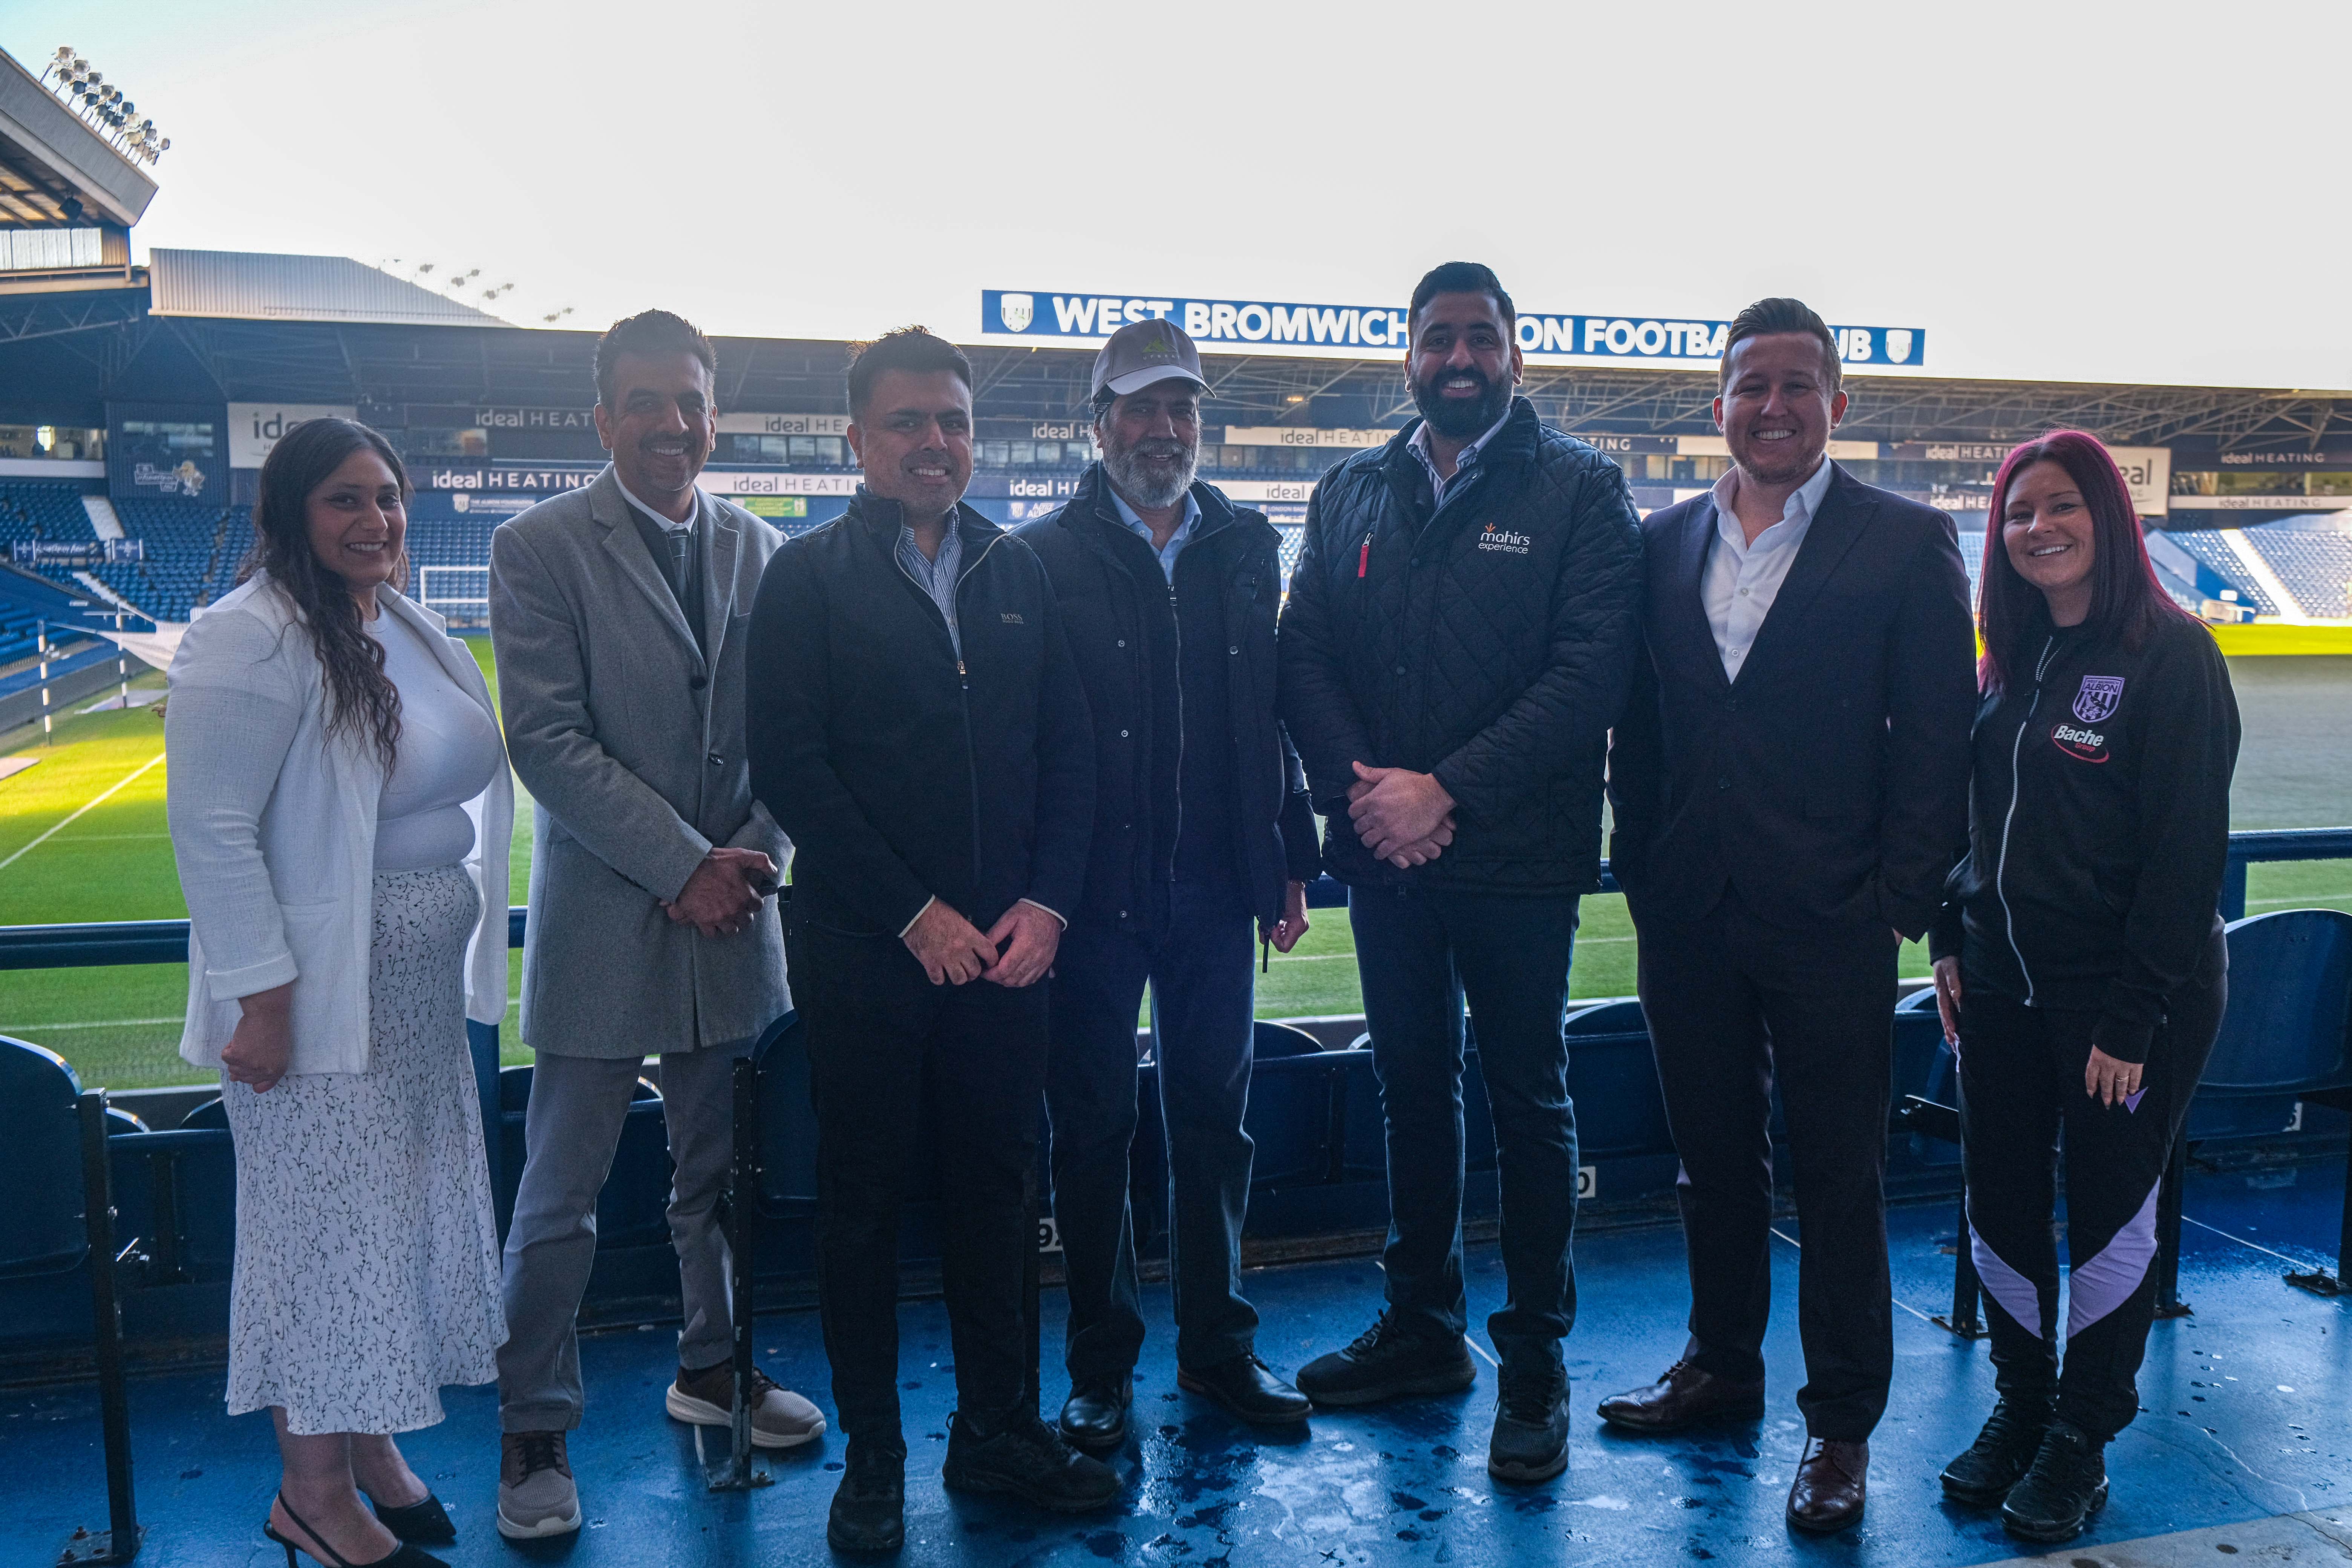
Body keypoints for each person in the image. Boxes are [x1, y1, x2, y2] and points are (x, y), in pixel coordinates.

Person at [1602, 297, 1977, 1532]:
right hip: (1690, 912)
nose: (1773, 405)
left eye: (1797, 384)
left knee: (1838, 1178)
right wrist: (1647, 867)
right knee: (1713, 1165)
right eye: (1750, 384)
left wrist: (1893, 906)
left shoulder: (1907, 541)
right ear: (1717, 406)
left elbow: (1936, 746)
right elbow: (1644, 728)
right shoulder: (1658, 545)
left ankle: (1841, 1429)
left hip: (1833, 920)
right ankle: (1722, 1368)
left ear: (1837, 405)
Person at [1276, 262, 1645, 1484]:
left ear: (1515, 358)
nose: (1461, 358)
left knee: (1529, 1100)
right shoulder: (1350, 490)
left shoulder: (1582, 490)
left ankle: (1534, 1358)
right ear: (1410, 361)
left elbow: (1590, 671)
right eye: (1439, 340)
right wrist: (1370, 797)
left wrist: (1447, 791)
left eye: (1482, 338)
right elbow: (1304, 653)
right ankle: (1424, 1328)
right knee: (1411, 1086)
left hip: (1521, 861)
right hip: (1388, 859)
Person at [746, 327, 1110, 1553]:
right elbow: (794, 769)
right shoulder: (804, 579)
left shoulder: (1019, 572)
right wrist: (915, 913)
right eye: (906, 422)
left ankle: (998, 1431)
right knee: (862, 1206)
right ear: (857, 440)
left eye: (951, 420)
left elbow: (1071, 758)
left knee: (1002, 1195)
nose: (933, 442)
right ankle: (876, 1460)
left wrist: (1048, 906)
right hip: (867, 949)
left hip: (1007, 955)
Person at [487, 310, 817, 1541]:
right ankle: (534, 1427)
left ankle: (713, 1365)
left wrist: (751, 863)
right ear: (603, 416)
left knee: (719, 1182)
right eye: (646, 403)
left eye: (691, 401)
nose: (673, 425)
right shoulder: (536, 548)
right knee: (559, 1193)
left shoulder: (764, 551)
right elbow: (549, 743)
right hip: (607, 921)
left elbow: (795, 735)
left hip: (735, 916)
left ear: (712, 409)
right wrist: (683, 865)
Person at [166, 417, 513, 1568]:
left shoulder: (392, 619)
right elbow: (211, 831)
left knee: (386, 1225)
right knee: (323, 1240)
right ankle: (311, 1497)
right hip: (315, 1001)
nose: (376, 521)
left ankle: (366, 1452)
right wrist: (261, 1000)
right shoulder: (248, 637)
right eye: (345, 501)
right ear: (292, 514)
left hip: (410, 1003)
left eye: (389, 497)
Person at [1016, 320, 1321, 1453]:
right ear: (1099, 426)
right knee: (1090, 1128)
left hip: (1211, 892)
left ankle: (1218, 1349)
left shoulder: (1245, 543)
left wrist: (1288, 850)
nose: (1164, 428)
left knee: (1214, 1124)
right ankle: (1102, 1366)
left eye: (1182, 407)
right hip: (1090, 900)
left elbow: (1269, 716)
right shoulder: (1044, 554)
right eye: (1142, 408)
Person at [1928, 432, 2239, 1543]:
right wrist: (1948, 939)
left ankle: (2082, 1436)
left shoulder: (2171, 656)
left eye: (2061, 507)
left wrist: (2133, 1016)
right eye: (2017, 514)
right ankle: (2021, 1406)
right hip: (2000, 991)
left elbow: (2185, 852)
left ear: (2110, 517)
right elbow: (1967, 829)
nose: (2037, 530)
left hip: (2124, 1006)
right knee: (2000, 1202)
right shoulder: (2003, 667)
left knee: (2111, 1215)